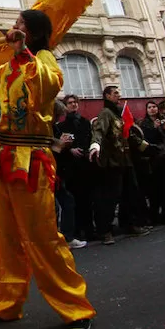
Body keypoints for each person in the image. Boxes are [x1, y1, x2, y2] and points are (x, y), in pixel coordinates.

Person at [0, 10, 95, 329]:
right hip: (2, 155)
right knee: (2, 235)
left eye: (20, 24)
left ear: (32, 33)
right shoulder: (7, 68)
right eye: (15, 24)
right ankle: (3, 305)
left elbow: (47, 88)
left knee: (42, 236)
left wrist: (24, 53)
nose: (13, 28)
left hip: (32, 157)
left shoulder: (45, 58)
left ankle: (75, 309)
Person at [88, 86, 149, 244]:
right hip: (112, 162)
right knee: (110, 197)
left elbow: (127, 134)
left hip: (126, 160)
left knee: (130, 193)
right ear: (107, 96)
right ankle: (105, 231)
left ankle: (129, 224)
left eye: (118, 93)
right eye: (115, 93)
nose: (118, 95)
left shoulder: (119, 114)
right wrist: (95, 145)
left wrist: (146, 146)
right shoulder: (106, 113)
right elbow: (98, 131)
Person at [54, 95, 95, 242]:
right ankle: (75, 231)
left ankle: (89, 229)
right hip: (69, 167)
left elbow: (90, 139)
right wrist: (69, 149)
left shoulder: (85, 122)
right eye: (70, 103)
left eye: (75, 102)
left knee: (86, 199)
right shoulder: (60, 126)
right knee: (72, 200)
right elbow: (56, 146)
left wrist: (85, 150)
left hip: (84, 164)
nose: (73, 105)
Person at [139, 101, 165, 226]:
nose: (152, 109)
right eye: (149, 107)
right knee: (154, 192)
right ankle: (154, 216)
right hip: (154, 161)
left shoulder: (164, 120)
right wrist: (154, 129)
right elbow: (146, 141)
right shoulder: (144, 123)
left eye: (154, 107)